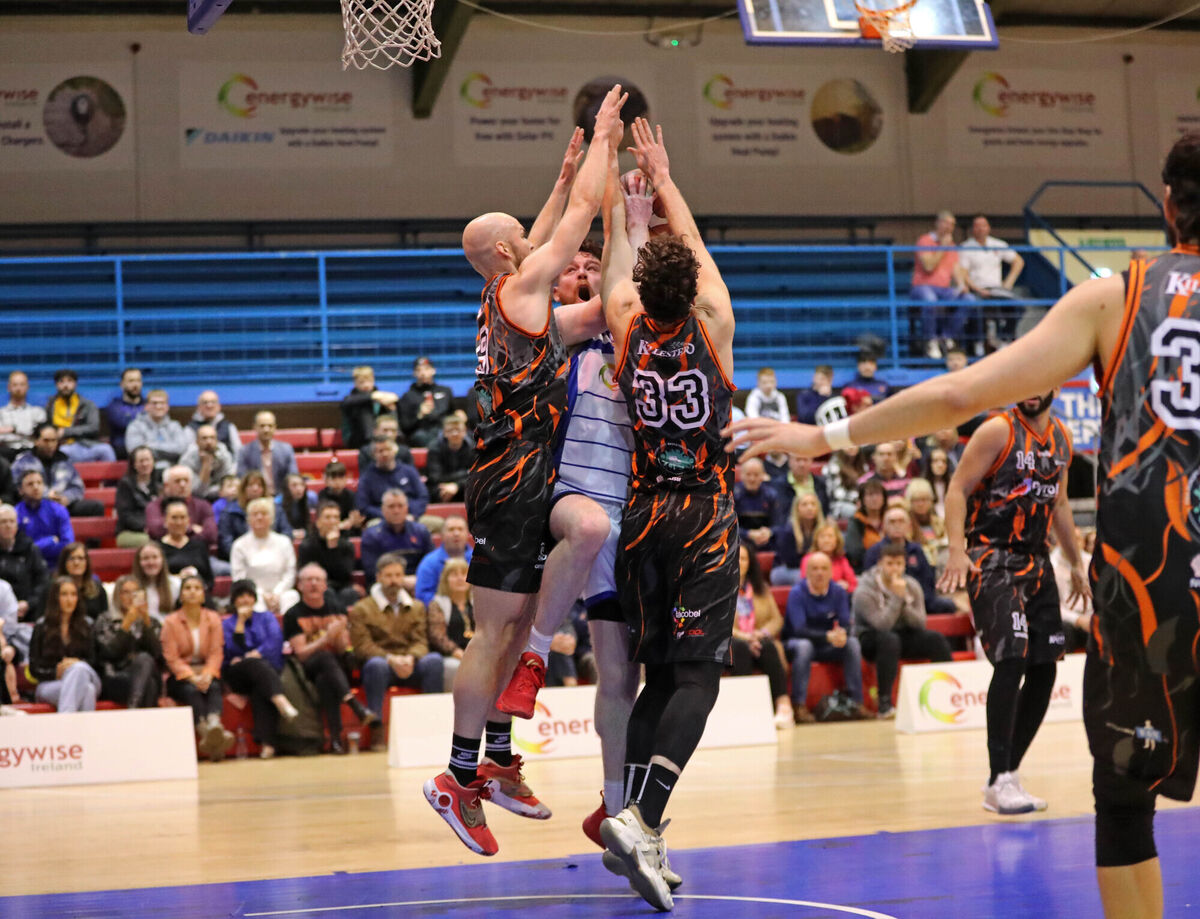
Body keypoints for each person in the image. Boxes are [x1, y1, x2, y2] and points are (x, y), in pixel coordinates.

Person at [724, 135, 1200, 919]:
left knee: (1123, 799)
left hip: (1149, 591)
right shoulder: (1027, 421)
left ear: (1166, 202)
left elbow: (956, 395)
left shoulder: (1117, 297)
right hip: (1039, 563)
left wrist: (825, 436)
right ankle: (1001, 770)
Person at [422, 90, 625, 860]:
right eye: (521, 235)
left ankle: (500, 758)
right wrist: (601, 141)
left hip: (521, 473)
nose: (536, 240)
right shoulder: (522, 285)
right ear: (510, 253)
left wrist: (561, 177)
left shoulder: (505, 294)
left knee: (515, 623)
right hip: (511, 476)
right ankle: (457, 776)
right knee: (494, 632)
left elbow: (543, 234)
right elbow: (574, 219)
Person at [593, 115, 735, 911]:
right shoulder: (713, 323)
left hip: (642, 514)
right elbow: (699, 252)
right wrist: (666, 178)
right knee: (700, 676)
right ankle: (643, 819)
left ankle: (633, 819)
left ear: (645, 293)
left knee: (657, 676)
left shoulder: (624, 321)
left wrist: (624, 205)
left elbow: (617, 259)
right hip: (702, 515)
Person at [934, 388, 1082, 813]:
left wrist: (1075, 563)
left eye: (1040, 384)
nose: (1032, 392)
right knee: (1012, 659)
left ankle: (1006, 776)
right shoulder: (997, 430)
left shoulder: (1063, 438)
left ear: (1054, 386)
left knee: (1045, 668)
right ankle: (999, 776)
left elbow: (1060, 504)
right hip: (991, 558)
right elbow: (957, 489)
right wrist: (956, 549)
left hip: (1037, 561)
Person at [283, 564, 379, 754]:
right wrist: (326, 638)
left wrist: (340, 637)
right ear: (299, 586)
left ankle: (335, 741)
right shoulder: (293, 614)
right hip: (308, 667)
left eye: (318, 580)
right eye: (308, 580)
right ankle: (355, 706)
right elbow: (301, 653)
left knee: (326, 679)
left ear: (325, 585)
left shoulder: (337, 608)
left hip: (335, 668)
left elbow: (344, 649)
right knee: (325, 658)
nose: (313, 584)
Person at [854, 542, 953, 719]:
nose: (894, 569)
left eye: (899, 564)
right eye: (889, 564)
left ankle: (948, 695)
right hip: (870, 638)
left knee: (935, 639)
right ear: (880, 564)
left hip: (901, 634)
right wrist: (897, 598)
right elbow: (881, 625)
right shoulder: (865, 589)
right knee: (889, 639)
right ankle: (884, 704)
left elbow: (920, 624)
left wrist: (904, 603)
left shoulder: (912, 585)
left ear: (905, 565)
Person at [351, 552, 444, 717]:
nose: (393, 580)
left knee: (434, 661)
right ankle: (376, 724)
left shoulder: (417, 607)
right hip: (383, 665)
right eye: (388, 575)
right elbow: (362, 646)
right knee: (376, 665)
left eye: (398, 575)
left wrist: (410, 658)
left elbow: (421, 641)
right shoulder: (362, 608)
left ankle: (433, 719)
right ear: (378, 577)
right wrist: (391, 659)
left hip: (410, 663)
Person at [782, 552, 864, 724]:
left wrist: (842, 634)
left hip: (828, 644)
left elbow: (845, 623)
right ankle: (799, 705)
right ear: (806, 572)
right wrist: (827, 636)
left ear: (831, 572)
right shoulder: (797, 593)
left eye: (824, 568)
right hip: (798, 643)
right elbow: (799, 629)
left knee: (852, 643)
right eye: (815, 568)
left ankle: (856, 703)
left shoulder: (838, 592)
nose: (819, 573)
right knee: (804, 646)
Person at [222, 579, 298, 759]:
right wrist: (240, 622)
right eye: (240, 596)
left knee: (261, 687)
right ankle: (280, 699)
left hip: (265, 670)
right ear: (234, 600)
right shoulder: (227, 624)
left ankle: (267, 745)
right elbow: (231, 651)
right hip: (238, 674)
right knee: (254, 665)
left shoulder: (266, 617)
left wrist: (257, 653)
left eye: (249, 595)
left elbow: (275, 642)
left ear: (255, 599)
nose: (245, 599)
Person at [162, 574, 233, 761]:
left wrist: (207, 674)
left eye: (197, 588)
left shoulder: (213, 618)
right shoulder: (170, 622)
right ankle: (208, 732)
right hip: (180, 676)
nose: (192, 592)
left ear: (203, 595)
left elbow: (216, 652)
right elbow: (171, 658)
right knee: (192, 691)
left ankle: (214, 725)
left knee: (214, 686)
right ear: (180, 595)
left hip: (206, 670)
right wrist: (192, 677)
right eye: (187, 588)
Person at [732, 543, 792, 728]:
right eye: (736, 558)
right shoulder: (718, 589)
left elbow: (776, 619)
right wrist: (746, 637)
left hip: (758, 639)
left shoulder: (761, 588)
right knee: (740, 648)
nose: (739, 562)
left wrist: (761, 633)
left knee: (769, 646)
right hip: (734, 641)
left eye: (743, 558)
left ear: (750, 563)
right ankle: (746, 707)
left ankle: (783, 705)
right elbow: (718, 624)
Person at [863, 505, 959, 614]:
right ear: (884, 526)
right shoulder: (874, 552)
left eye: (901, 521)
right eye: (892, 522)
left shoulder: (916, 549)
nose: (897, 525)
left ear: (909, 526)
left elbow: (928, 581)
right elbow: (870, 584)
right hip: (886, 604)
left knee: (950, 605)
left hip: (920, 600)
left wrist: (919, 600)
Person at [28, 577, 101, 712]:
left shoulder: (88, 624)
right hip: (50, 684)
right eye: (64, 594)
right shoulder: (41, 626)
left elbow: (95, 661)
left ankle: (65, 719)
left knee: (79, 668)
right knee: (87, 690)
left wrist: (75, 664)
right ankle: (78, 726)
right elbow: (34, 668)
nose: (69, 599)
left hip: (87, 676)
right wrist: (56, 673)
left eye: (73, 594)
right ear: (55, 598)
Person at [909, 211, 973, 359]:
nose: (950, 227)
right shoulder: (925, 240)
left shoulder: (952, 246)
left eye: (952, 224)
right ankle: (930, 340)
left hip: (945, 289)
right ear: (937, 223)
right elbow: (928, 266)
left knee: (968, 299)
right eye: (946, 223)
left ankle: (946, 337)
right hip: (922, 287)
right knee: (930, 300)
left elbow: (955, 268)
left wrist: (961, 285)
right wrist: (943, 247)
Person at [960, 214, 1026, 352]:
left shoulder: (998, 244)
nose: (981, 229)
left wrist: (1008, 284)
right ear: (973, 229)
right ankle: (979, 343)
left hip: (997, 289)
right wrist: (978, 289)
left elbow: (1018, 261)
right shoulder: (966, 247)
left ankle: (1005, 338)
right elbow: (963, 273)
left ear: (988, 228)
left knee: (1018, 306)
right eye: (977, 226)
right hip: (977, 289)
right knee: (976, 309)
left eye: (983, 225)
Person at [94, 575, 162, 708]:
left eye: (135, 592)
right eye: (126, 592)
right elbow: (108, 653)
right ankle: (136, 711)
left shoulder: (151, 622)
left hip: (146, 674)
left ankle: (133, 707)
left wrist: (146, 622)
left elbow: (157, 653)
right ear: (118, 595)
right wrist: (126, 624)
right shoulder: (105, 620)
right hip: (116, 677)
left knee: (145, 661)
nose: (131, 597)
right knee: (150, 685)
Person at [12, 423, 104, 517]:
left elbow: (77, 487)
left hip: (62, 504)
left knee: (96, 506)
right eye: (46, 440)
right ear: (36, 441)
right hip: (34, 506)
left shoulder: (64, 460)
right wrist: (46, 496)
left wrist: (66, 498)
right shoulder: (23, 461)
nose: (50, 444)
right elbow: (16, 488)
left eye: (53, 440)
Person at [230, 497, 298, 614]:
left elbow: (290, 572)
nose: (259, 517)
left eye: (264, 513)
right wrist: (262, 594)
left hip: (281, 593)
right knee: (254, 604)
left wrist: (276, 594)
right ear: (248, 519)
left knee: (292, 597)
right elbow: (239, 577)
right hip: (253, 593)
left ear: (272, 518)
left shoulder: (284, 541)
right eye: (255, 514)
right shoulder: (239, 545)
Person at [360, 490, 433, 590]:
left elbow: (430, 564)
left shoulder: (421, 531)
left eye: (400, 506)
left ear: (406, 508)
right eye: (391, 506)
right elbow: (372, 572)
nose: (396, 511)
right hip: (385, 586)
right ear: (383, 510)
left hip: (417, 583)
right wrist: (400, 580)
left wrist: (419, 579)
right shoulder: (371, 536)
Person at [297, 501, 361, 609]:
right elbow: (308, 574)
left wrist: (333, 548)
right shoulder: (307, 546)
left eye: (336, 517)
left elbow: (345, 575)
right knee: (327, 592)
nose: (332, 521)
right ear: (318, 522)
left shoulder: (347, 545)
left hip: (343, 588)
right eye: (327, 517)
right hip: (318, 587)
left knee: (349, 593)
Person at [45, 369, 116, 464]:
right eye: (61, 381)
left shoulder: (87, 405)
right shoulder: (50, 406)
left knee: (106, 450)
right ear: (56, 385)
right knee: (61, 452)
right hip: (62, 446)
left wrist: (66, 432)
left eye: (69, 381)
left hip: (86, 444)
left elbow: (93, 427)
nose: (65, 385)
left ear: (75, 384)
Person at [145, 466, 218, 556]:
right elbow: (156, 531)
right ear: (166, 485)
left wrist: (174, 529)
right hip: (165, 556)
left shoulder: (203, 505)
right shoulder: (154, 506)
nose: (182, 485)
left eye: (186, 481)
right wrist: (191, 529)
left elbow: (211, 535)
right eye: (177, 481)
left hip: (198, 555)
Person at [426, 558, 474, 692]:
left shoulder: (477, 602)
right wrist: (456, 652)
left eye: (463, 573)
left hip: (476, 653)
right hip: (449, 655)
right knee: (455, 667)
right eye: (454, 574)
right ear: (445, 580)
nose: (460, 578)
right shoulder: (438, 604)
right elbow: (437, 636)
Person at [217, 470, 288, 559]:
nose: (255, 489)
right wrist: (246, 557)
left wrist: (273, 554)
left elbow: (286, 533)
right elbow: (226, 542)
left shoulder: (276, 509)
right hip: (241, 558)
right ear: (243, 489)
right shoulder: (229, 511)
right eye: (250, 485)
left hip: (273, 556)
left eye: (259, 485)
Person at [355, 437, 428, 522]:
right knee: (373, 525)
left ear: (395, 450)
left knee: (437, 523)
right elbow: (363, 506)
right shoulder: (367, 477)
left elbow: (423, 496)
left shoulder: (409, 471)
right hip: (381, 519)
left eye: (388, 449)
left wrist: (412, 514)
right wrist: (388, 515)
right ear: (373, 454)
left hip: (410, 516)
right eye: (380, 451)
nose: (385, 454)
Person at [0, 501, 49, 620]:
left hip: (28, 610)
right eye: (3, 522)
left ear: (17, 525)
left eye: (12, 521)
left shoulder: (30, 548)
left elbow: (42, 581)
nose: (8, 525)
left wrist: (29, 603)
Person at [15, 468, 74, 565]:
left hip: (57, 565)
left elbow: (68, 545)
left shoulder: (58, 510)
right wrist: (49, 541)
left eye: (39, 483)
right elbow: (19, 549)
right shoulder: (16, 513)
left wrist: (34, 547)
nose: (36, 487)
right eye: (30, 484)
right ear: (21, 490)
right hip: (27, 566)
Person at [124, 389, 192, 469]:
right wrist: (169, 452)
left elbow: (181, 449)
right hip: (145, 470)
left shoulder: (175, 426)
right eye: (154, 403)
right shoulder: (135, 426)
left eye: (162, 403)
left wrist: (149, 446)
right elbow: (134, 451)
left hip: (172, 470)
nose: (158, 407)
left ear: (167, 407)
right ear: (146, 406)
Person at [413, 514, 471, 606]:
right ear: (442, 535)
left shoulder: (479, 560)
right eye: (451, 529)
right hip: (440, 611)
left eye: (460, 529)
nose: (456, 533)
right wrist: (447, 606)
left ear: (467, 533)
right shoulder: (429, 562)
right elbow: (422, 595)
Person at [1051, 528, 1093, 653]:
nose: (1074, 543)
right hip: (1066, 620)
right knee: (1061, 630)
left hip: (1090, 616)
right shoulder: (1052, 566)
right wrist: (1078, 620)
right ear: (1059, 542)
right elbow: (1053, 605)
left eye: (1078, 539)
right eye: (1070, 539)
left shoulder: (1091, 562)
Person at [236, 411, 298, 496]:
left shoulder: (286, 449)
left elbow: (293, 475)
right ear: (255, 427)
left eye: (270, 426)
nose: (266, 430)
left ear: (275, 427)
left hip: (282, 497)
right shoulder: (245, 451)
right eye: (262, 426)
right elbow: (242, 478)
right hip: (256, 497)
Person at [398, 357, 455, 448]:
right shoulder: (407, 397)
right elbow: (405, 426)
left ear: (433, 370)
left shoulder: (446, 391)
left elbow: (453, 413)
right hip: (420, 434)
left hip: (444, 430)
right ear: (414, 373)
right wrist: (419, 415)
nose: (423, 373)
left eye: (426, 369)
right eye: (419, 370)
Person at [159, 496, 214, 590]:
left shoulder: (200, 546)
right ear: (165, 520)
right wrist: (177, 578)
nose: (179, 522)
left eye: (183, 517)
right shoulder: (158, 548)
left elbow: (209, 580)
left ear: (188, 521)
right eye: (174, 518)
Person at [770, 492, 824, 586]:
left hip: (812, 568)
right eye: (804, 504)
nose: (809, 508)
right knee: (809, 577)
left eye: (813, 504)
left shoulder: (823, 529)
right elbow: (790, 561)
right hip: (785, 569)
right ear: (797, 509)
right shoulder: (788, 530)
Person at [340, 366, 399, 450]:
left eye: (369, 381)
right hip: (356, 438)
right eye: (362, 382)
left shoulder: (380, 396)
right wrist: (372, 396)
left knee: (391, 408)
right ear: (355, 383)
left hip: (381, 436)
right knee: (364, 408)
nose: (366, 385)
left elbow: (393, 397)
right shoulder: (350, 399)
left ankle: (395, 439)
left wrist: (390, 408)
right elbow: (346, 403)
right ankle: (372, 442)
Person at [115, 445, 160, 548]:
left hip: (154, 530)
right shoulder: (125, 484)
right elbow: (125, 515)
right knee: (154, 543)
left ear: (153, 462)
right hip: (129, 532)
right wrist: (145, 527)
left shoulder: (158, 483)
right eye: (141, 461)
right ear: (134, 464)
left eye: (147, 460)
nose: (145, 464)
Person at [733, 456, 782, 551]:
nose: (752, 479)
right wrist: (748, 534)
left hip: (767, 541)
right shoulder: (733, 495)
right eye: (748, 474)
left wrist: (769, 532)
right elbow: (729, 527)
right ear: (741, 475)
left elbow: (779, 524)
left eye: (756, 475)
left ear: (763, 476)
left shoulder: (771, 495)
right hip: (740, 543)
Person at [425, 414, 475, 503]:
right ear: (444, 433)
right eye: (450, 430)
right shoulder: (434, 448)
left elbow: (475, 474)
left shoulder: (473, 448)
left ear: (465, 431)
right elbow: (436, 477)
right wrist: (465, 473)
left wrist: (457, 486)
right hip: (440, 487)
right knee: (437, 491)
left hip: (464, 487)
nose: (455, 433)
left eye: (458, 430)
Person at [178, 424, 235, 502]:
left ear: (217, 441)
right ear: (197, 442)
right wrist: (206, 465)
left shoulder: (224, 455)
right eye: (204, 438)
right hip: (196, 499)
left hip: (221, 497)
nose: (209, 442)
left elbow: (228, 484)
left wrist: (215, 491)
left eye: (212, 438)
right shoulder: (187, 459)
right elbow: (198, 492)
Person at [54, 542, 108, 620]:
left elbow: (105, 619)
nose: (76, 563)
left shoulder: (97, 589)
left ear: (87, 562)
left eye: (81, 558)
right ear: (64, 563)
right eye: (71, 558)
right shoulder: (53, 588)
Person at [0, 370, 47, 460]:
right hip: (5, 452)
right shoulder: (1, 413)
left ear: (27, 387)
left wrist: (12, 430)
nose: (18, 388)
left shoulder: (38, 412)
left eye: (22, 384)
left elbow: (40, 436)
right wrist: (27, 433)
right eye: (15, 385)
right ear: (8, 387)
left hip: (32, 451)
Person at [801, 521, 857, 593]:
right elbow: (805, 585)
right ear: (816, 540)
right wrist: (834, 587)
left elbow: (853, 585)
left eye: (830, 536)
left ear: (837, 540)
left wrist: (847, 586)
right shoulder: (808, 560)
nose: (826, 540)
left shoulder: (841, 560)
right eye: (822, 536)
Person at [102, 368, 145, 461]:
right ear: (122, 384)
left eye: (138, 380)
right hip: (122, 450)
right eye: (131, 381)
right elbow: (123, 423)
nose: (135, 385)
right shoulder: (114, 406)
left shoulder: (147, 404)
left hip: (147, 447)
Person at [131, 541, 179, 622]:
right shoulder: (130, 586)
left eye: (155, 557)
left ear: (162, 560)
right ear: (138, 562)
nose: (151, 562)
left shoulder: (176, 584)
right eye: (145, 558)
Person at [844, 478, 886, 571]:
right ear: (862, 500)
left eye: (878, 494)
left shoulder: (891, 518)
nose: (874, 499)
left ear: (884, 498)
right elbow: (855, 553)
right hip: (865, 569)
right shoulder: (856, 522)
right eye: (870, 495)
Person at [774, 453, 830, 522]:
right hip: (788, 525)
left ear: (811, 461)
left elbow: (826, 511)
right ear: (789, 461)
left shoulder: (821, 483)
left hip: (818, 525)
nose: (802, 464)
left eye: (805, 460)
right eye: (798, 460)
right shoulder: (778, 485)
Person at [316, 460, 363, 533]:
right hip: (329, 529)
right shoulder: (322, 494)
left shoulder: (350, 495)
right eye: (334, 478)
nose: (337, 482)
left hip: (348, 530)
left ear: (345, 479)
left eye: (341, 477)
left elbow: (353, 517)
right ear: (326, 480)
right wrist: (341, 525)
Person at [188, 391, 240, 456]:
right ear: (199, 407)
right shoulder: (190, 428)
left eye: (213, 402)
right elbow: (187, 455)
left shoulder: (229, 427)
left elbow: (238, 452)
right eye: (205, 402)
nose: (209, 405)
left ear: (219, 406)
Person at [823, 446, 864, 522]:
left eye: (854, 444)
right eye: (847, 445)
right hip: (839, 505)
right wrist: (858, 500)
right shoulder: (833, 466)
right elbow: (837, 495)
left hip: (859, 502)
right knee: (857, 511)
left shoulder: (863, 466)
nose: (851, 447)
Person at [277, 472, 319, 539]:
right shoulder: (277, 503)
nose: (299, 488)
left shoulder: (308, 499)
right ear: (286, 488)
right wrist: (291, 533)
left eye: (302, 484)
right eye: (294, 485)